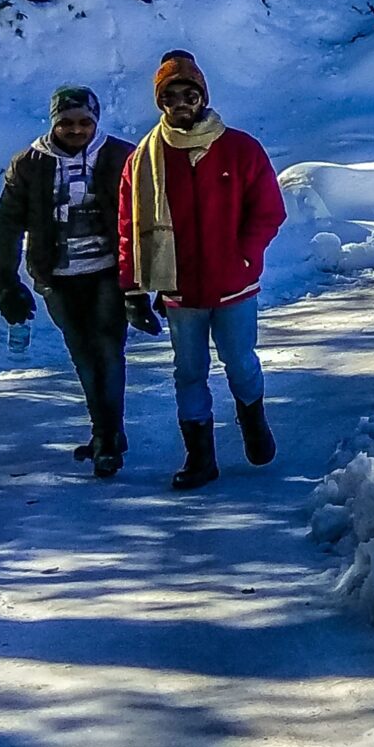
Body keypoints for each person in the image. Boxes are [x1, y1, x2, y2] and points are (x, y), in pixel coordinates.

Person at [118, 52, 288, 492]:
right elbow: (127, 227)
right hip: (179, 290)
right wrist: (133, 288)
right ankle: (200, 458)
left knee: (240, 363)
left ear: (203, 96)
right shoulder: (143, 161)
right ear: (160, 103)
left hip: (234, 285)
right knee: (188, 372)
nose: (180, 103)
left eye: (188, 94)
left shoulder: (240, 148)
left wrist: (245, 255)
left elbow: (268, 211)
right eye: (170, 96)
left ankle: (253, 423)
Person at [0, 85, 133, 477]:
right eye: (67, 122)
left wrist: (151, 279)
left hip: (109, 270)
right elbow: (6, 225)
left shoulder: (122, 157)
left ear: (96, 121)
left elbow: (149, 219)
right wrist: (6, 282)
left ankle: (105, 439)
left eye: (85, 122)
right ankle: (108, 430)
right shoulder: (29, 163)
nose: (76, 129)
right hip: (56, 274)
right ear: (54, 122)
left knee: (107, 347)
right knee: (82, 351)